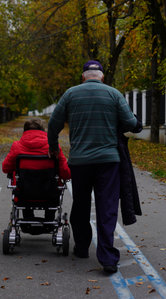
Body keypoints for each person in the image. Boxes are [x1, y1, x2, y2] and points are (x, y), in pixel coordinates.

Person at [47, 60, 142, 273]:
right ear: (102, 77)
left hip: (80, 162)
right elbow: (129, 123)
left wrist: (53, 147)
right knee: (106, 208)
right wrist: (135, 123)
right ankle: (108, 259)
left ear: (83, 77)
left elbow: (53, 124)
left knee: (80, 204)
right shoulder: (113, 94)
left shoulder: (70, 94)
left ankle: (82, 247)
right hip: (108, 162)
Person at [2, 118, 71, 227]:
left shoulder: (17, 146)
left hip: (24, 193)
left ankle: (27, 220)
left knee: (23, 191)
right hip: (49, 193)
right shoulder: (54, 148)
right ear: (43, 131)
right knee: (54, 189)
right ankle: (49, 220)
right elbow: (66, 173)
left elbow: (5, 168)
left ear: (25, 131)